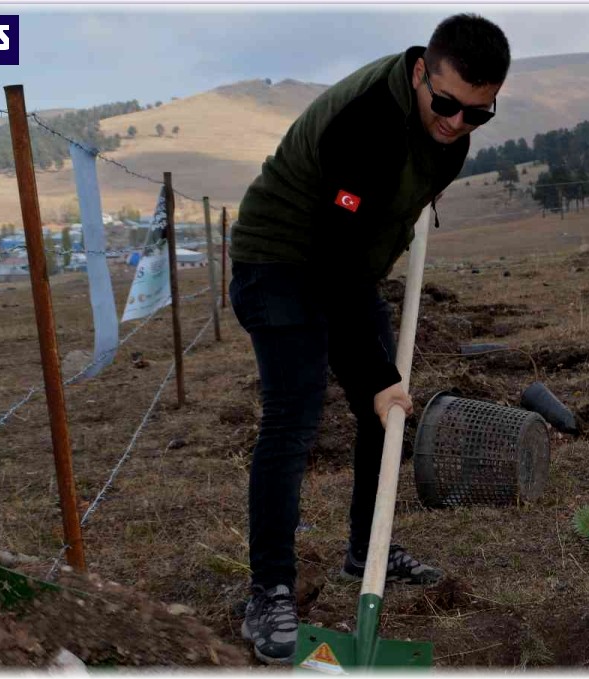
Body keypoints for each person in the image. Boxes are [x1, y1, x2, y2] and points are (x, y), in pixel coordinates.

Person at [227, 13, 510, 665]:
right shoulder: (366, 125)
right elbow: (331, 261)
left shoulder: (450, 129)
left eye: (478, 113)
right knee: (294, 415)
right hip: (280, 261)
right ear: (419, 71)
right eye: (445, 105)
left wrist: (377, 376)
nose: (456, 124)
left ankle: (366, 548)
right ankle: (269, 589)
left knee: (385, 409)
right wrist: (374, 371)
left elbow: (364, 245)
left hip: (345, 266)